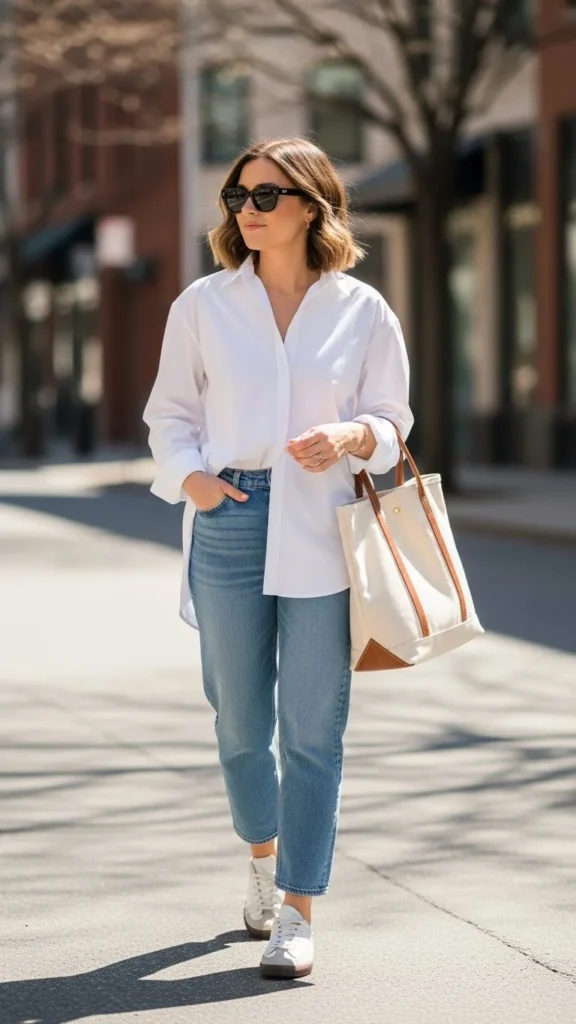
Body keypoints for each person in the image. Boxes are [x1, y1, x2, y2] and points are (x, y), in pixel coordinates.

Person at [142, 136, 413, 980]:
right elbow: (170, 413)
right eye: (238, 197)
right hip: (229, 514)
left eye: (265, 196)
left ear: (311, 205)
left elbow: (395, 420)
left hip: (325, 529)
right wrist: (192, 480)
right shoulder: (203, 303)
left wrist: (354, 435)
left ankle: (297, 909)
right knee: (236, 725)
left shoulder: (362, 309)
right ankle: (261, 857)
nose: (247, 211)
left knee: (312, 729)